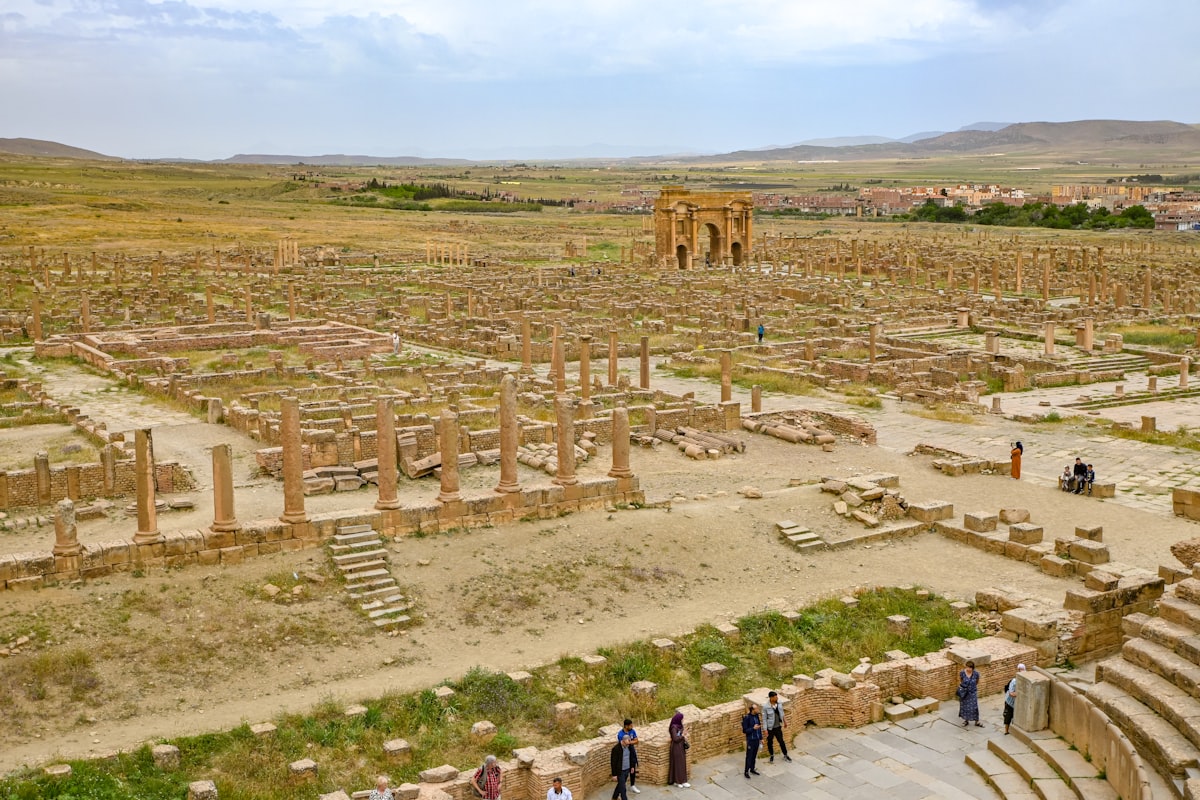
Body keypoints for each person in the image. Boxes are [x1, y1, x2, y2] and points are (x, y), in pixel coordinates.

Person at [762, 690, 791, 763]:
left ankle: (785, 754)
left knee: (781, 741)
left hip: (778, 727)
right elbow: (764, 719)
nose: (777, 698)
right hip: (770, 728)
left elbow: (782, 713)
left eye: (777, 697)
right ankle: (771, 755)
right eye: (775, 697)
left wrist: (785, 721)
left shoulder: (779, 703)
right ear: (771, 698)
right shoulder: (766, 707)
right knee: (770, 742)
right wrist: (765, 729)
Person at [615, 719, 639, 795]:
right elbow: (623, 744)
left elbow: (637, 741)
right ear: (626, 726)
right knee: (623, 771)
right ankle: (621, 786)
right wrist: (630, 742)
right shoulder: (620, 734)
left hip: (631, 752)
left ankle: (632, 785)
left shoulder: (632, 731)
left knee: (633, 769)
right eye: (630, 725)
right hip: (624, 754)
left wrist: (629, 742)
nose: (632, 726)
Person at [668, 711, 690, 788]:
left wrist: (685, 734)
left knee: (682, 763)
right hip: (676, 747)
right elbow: (675, 738)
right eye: (682, 719)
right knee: (678, 764)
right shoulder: (673, 727)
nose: (683, 720)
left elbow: (680, 735)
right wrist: (683, 735)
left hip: (681, 746)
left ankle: (683, 780)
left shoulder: (680, 726)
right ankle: (677, 781)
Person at [1004, 663, 1027, 735]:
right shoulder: (1014, 681)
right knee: (1008, 716)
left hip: (1017, 703)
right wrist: (1020, 694)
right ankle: (1006, 731)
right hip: (1010, 702)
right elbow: (1011, 693)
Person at [742, 703, 763, 779]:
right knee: (749, 756)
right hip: (751, 740)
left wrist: (761, 738)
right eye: (756, 708)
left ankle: (752, 769)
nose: (758, 709)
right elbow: (745, 730)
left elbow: (759, 728)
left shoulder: (757, 716)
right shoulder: (747, 718)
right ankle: (746, 771)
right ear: (752, 710)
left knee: (754, 755)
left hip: (756, 739)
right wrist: (753, 728)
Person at [610, 732, 633, 800]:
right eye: (626, 744)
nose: (628, 745)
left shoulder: (629, 746)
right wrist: (614, 775)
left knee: (620, 784)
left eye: (628, 744)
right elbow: (613, 763)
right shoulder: (616, 749)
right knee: (623, 788)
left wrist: (632, 766)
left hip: (627, 769)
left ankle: (614, 797)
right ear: (623, 741)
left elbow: (630, 757)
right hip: (620, 771)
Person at [958, 660, 982, 727]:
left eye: (970, 668)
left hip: (972, 692)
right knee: (965, 707)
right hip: (965, 693)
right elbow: (961, 680)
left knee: (974, 707)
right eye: (967, 667)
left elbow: (977, 681)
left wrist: (972, 687)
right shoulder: (962, 673)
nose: (968, 669)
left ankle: (977, 721)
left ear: (972, 668)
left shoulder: (976, 673)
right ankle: (966, 720)